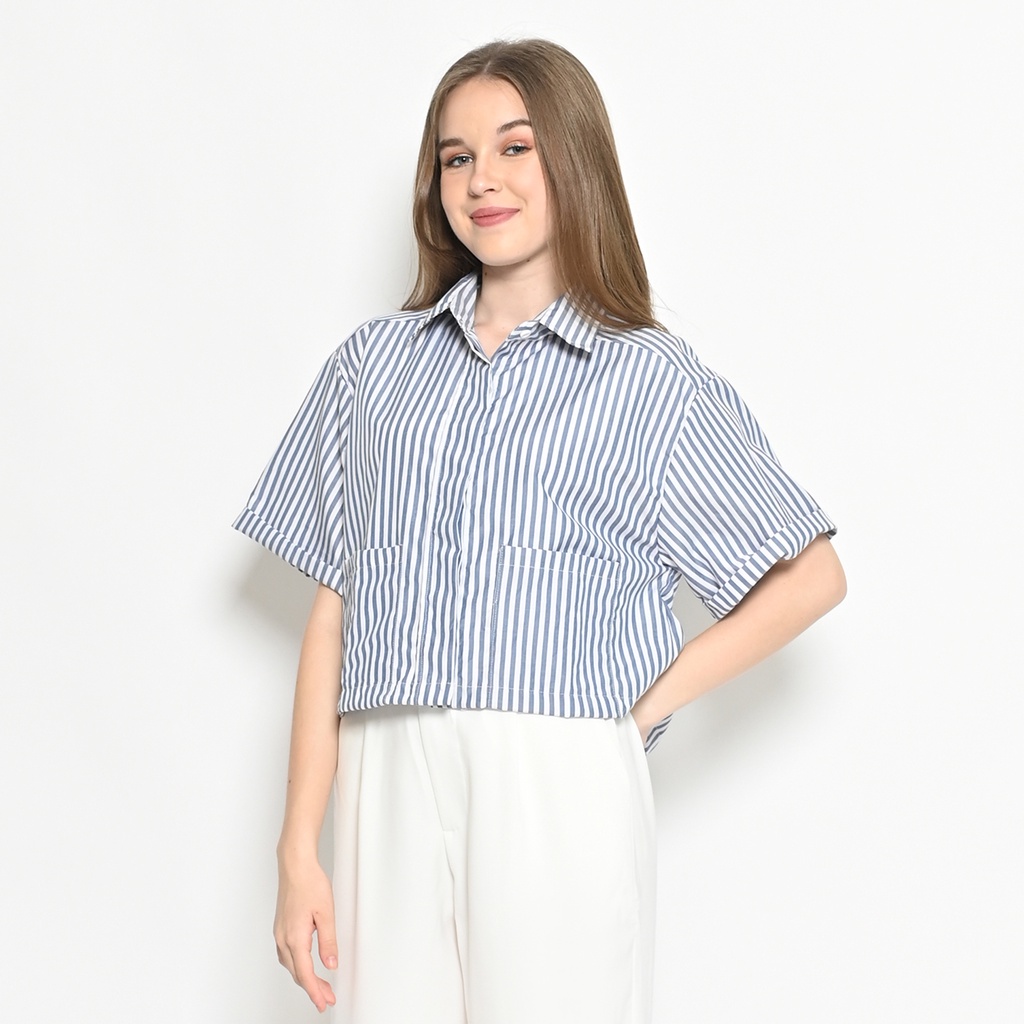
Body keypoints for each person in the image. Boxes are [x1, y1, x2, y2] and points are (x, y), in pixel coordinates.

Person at [233, 37, 846, 1024]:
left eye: (515, 147)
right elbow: (335, 609)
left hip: (555, 774)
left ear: (573, 158)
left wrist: (635, 712)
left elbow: (811, 577)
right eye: (457, 156)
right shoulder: (372, 368)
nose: (483, 180)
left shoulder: (649, 380)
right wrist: (297, 847)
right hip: (385, 763)